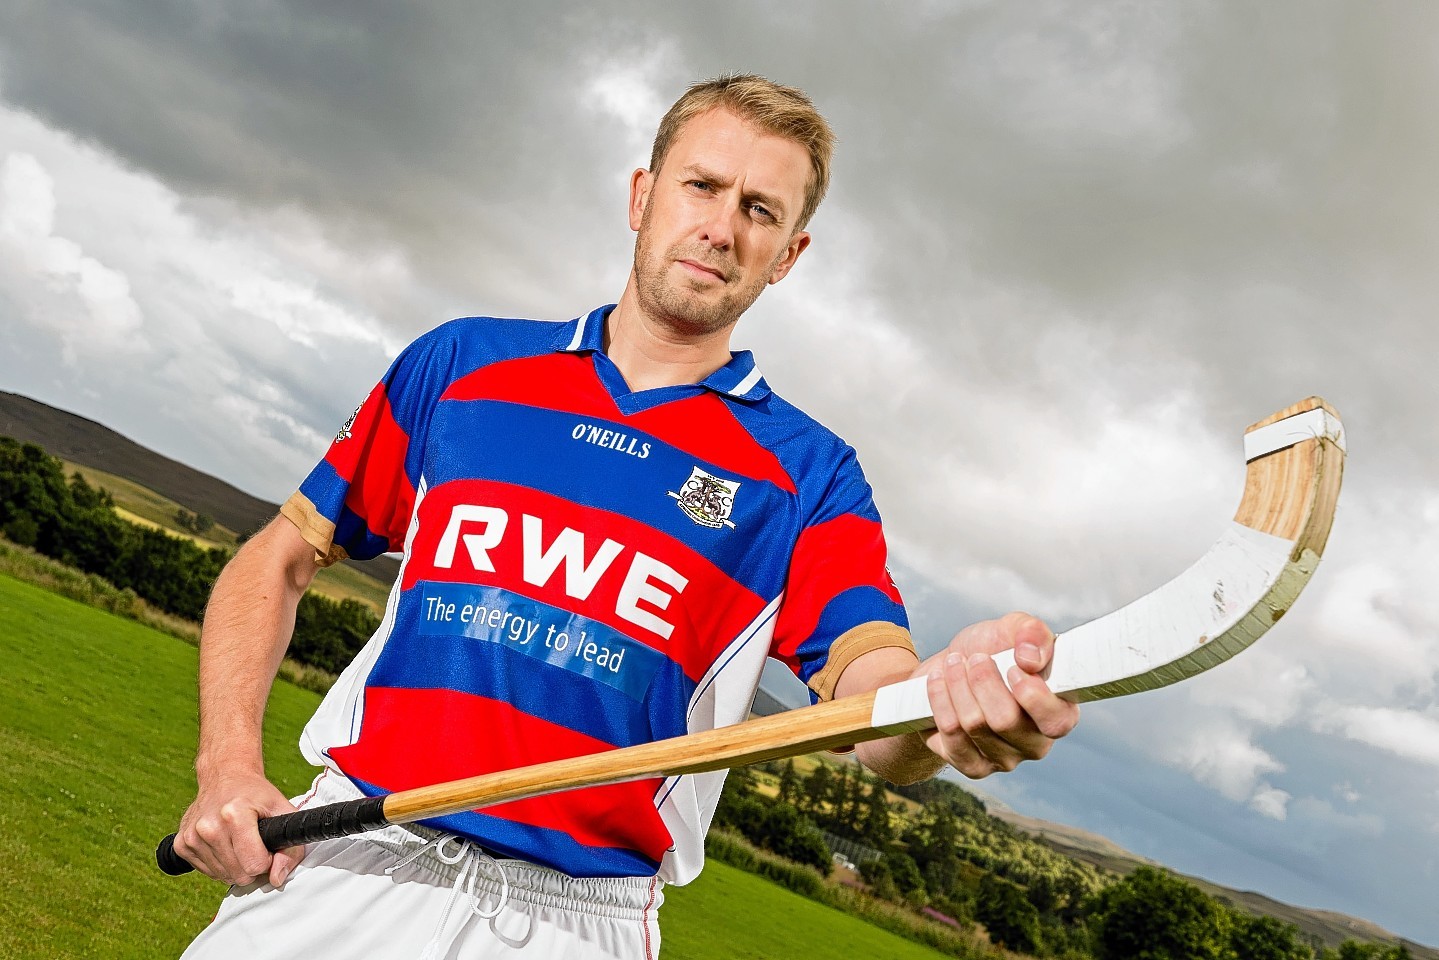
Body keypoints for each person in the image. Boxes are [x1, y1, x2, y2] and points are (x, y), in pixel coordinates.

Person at [173, 74, 1080, 959]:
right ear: (643, 196)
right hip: (350, 861)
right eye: (702, 186)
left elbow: (872, 706)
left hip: (572, 925)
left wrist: (943, 707)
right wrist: (226, 767)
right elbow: (281, 555)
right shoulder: (463, 365)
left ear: (790, 254)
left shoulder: (810, 477)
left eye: (761, 210)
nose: (721, 229)